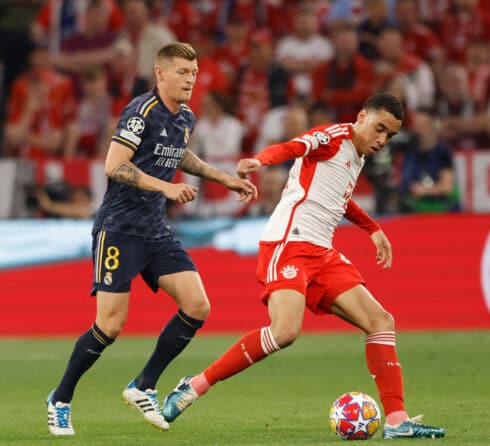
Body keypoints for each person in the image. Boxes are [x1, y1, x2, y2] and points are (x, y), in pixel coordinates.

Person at [161, 93, 445, 439]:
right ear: (362, 117)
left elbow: (338, 198)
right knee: (285, 332)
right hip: (289, 244)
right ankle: (193, 386)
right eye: (380, 129)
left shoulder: (356, 157)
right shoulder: (333, 137)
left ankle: (398, 421)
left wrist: (373, 228)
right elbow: (293, 147)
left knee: (381, 321)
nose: (382, 140)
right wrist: (260, 160)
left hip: (322, 253)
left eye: (390, 136)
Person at [45, 42, 257, 436]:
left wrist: (224, 178)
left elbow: (180, 155)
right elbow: (114, 165)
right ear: (160, 73)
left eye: (193, 74)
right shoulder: (140, 113)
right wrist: (167, 188)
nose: (189, 80)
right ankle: (60, 398)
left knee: (197, 305)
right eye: (181, 72)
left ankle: (143, 385)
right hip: (119, 229)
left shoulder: (186, 117)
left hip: (155, 230)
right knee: (109, 326)